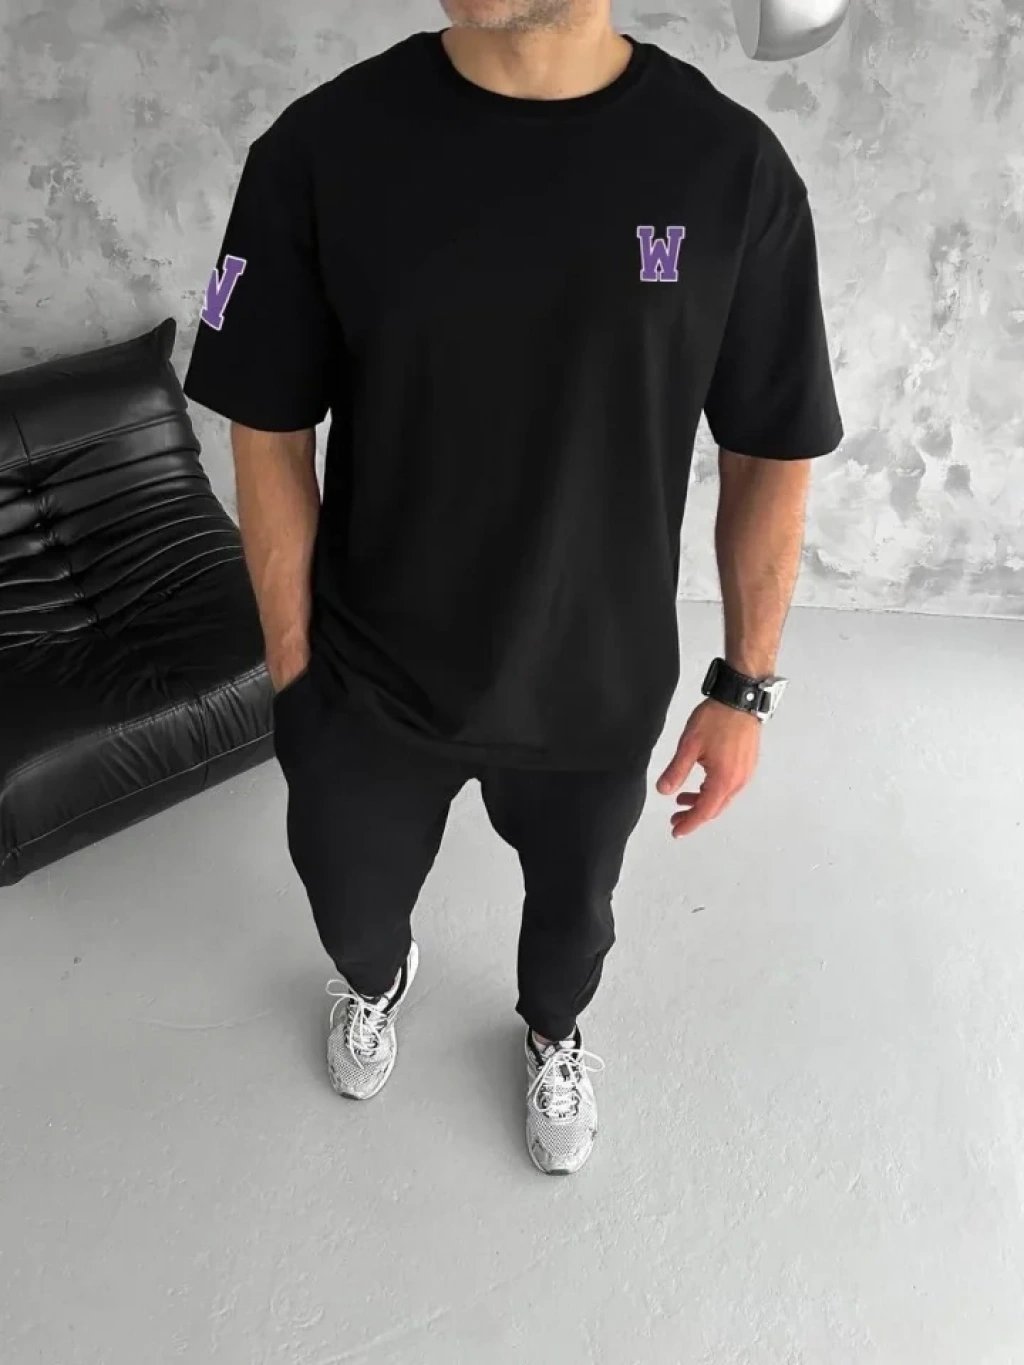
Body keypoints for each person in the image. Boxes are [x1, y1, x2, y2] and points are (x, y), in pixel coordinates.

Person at [183, 0, 843, 1176]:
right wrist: (292, 672)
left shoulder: (727, 168)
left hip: (596, 681)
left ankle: (552, 1034)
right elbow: (268, 426)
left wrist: (744, 688)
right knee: (352, 916)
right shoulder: (322, 151)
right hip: (366, 679)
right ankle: (378, 982)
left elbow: (769, 448)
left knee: (572, 934)